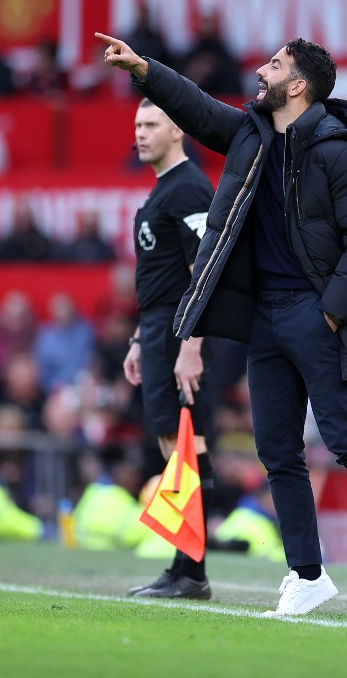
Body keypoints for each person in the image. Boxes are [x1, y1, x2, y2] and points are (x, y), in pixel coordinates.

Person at [97, 30, 347, 620]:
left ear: (298, 85)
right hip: (265, 318)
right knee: (277, 451)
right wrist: (144, 69)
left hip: (314, 313)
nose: (260, 72)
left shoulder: (338, 151)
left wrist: (329, 312)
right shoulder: (250, 133)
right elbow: (196, 108)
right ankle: (306, 573)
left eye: (273, 66)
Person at [121, 97, 216, 600]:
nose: (140, 133)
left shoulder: (189, 188)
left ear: (177, 131)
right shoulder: (164, 190)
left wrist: (190, 345)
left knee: (186, 448)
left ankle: (190, 571)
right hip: (158, 330)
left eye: (151, 124)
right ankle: (186, 566)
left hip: (179, 331)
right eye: (137, 125)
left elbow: (205, 270)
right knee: (174, 448)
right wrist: (140, 337)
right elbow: (159, 280)